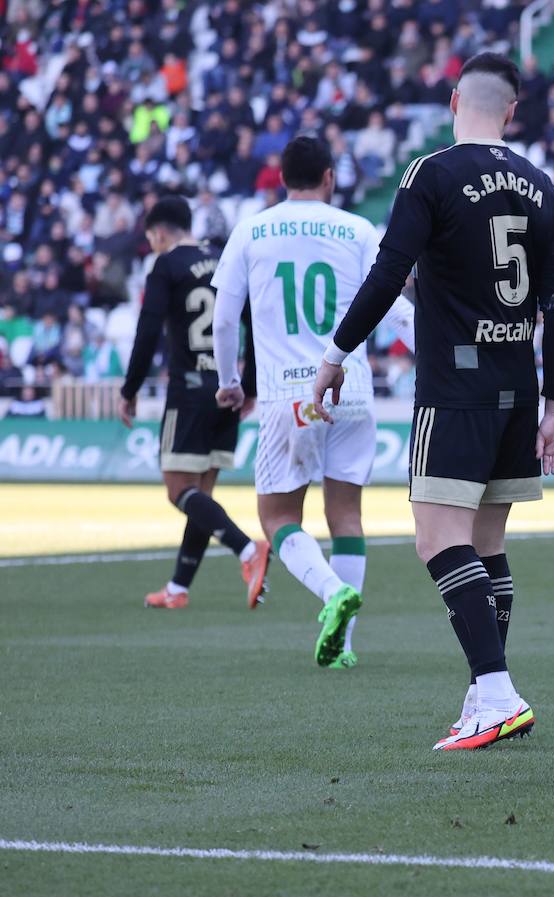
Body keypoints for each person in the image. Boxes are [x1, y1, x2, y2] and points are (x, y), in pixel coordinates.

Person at [312, 53, 554, 749]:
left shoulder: (432, 173)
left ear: (454, 100)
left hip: (455, 386)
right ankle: (483, 691)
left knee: (437, 538)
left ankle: (494, 689)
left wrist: (336, 353)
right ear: (511, 112)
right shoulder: (545, 188)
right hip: (518, 387)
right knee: (487, 544)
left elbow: (387, 272)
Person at [211, 135, 415, 669]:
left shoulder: (252, 229)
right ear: (329, 177)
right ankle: (343, 648)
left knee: (277, 517)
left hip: (288, 394)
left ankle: (331, 594)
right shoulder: (356, 229)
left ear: (282, 179)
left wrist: (230, 379)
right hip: (352, 388)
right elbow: (394, 308)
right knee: (346, 514)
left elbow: (226, 317)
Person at [118, 195, 270, 611]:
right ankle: (178, 589)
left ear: (160, 232)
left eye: (151, 238)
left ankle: (246, 549)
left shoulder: (165, 265)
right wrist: (249, 385)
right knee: (202, 494)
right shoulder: (223, 258)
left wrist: (129, 389)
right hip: (226, 387)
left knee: (179, 490)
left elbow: (148, 331)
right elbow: (252, 321)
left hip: (187, 390)